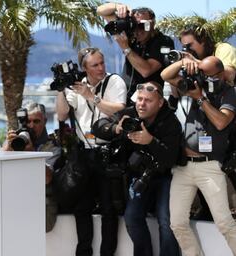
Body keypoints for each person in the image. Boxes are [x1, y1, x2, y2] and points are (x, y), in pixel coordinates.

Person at [94, 81, 181, 256]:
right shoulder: (129, 115)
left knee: (166, 221)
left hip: (165, 175)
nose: (141, 104)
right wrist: (115, 128)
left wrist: (151, 141)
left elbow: (171, 158)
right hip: (140, 175)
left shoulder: (170, 121)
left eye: (148, 100)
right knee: (132, 217)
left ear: (160, 102)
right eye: (139, 99)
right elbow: (97, 127)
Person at [161, 56, 236, 255]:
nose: (203, 79)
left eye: (208, 75)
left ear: (220, 75)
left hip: (209, 166)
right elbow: (165, 75)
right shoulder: (194, 85)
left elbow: (221, 122)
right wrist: (184, 62)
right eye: (201, 73)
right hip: (183, 167)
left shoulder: (229, 93)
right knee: (177, 223)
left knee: (225, 223)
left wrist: (200, 99)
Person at [56, 47, 127, 256]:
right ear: (84, 68)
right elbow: (61, 115)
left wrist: (91, 96)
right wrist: (62, 88)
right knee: (82, 208)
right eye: (95, 65)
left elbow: (117, 108)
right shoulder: (75, 86)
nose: (101, 68)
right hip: (84, 153)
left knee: (108, 209)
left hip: (109, 151)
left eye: (102, 63)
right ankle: (83, 252)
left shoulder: (114, 81)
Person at [97, 3, 174, 106]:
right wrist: (118, 6)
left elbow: (146, 70)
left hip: (147, 102)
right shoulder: (131, 34)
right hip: (125, 99)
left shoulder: (163, 41)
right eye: (135, 25)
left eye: (143, 25)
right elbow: (101, 11)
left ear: (152, 23)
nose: (138, 30)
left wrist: (126, 48)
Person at [2, 102, 61, 232]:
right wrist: (6, 149)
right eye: (27, 121)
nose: (31, 126)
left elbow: (46, 178)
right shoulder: (15, 142)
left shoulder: (53, 146)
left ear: (45, 121)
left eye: (36, 121)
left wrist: (32, 154)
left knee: (40, 226)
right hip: (17, 196)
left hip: (41, 199)